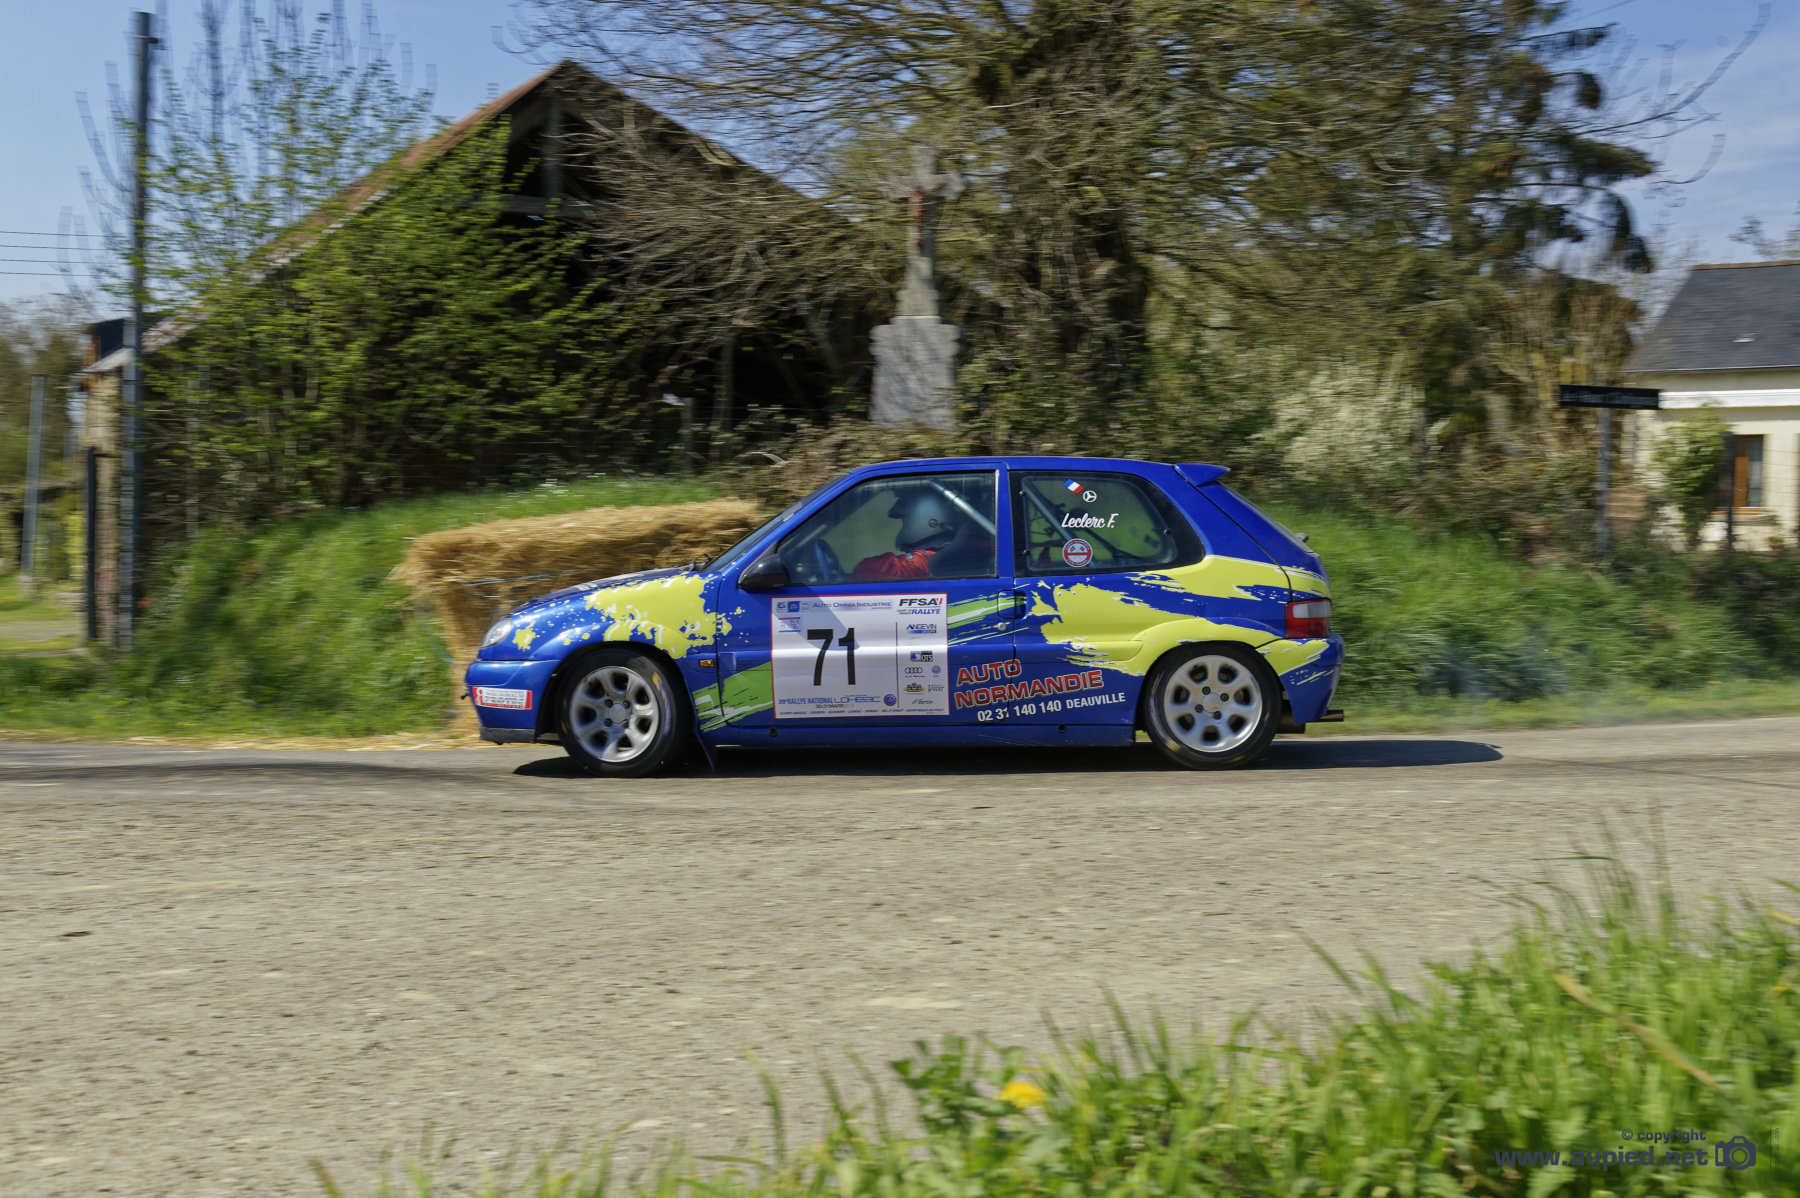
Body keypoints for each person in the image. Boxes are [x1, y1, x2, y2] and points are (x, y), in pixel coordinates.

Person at [851, 487, 960, 581]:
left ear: (931, 522)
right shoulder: (946, 553)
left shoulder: (925, 561)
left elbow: (867, 571)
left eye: (904, 520)